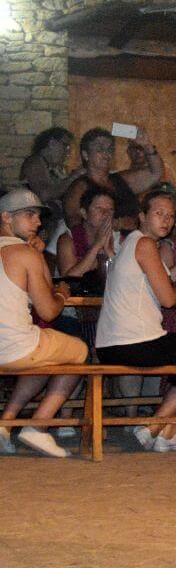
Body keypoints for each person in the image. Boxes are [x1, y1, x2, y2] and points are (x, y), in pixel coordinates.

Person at [94, 191, 176, 452]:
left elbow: (169, 281)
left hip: (112, 343)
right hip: (132, 342)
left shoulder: (136, 243)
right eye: (159, 213)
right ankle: (154, 424)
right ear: (142, 216)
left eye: (170, 216)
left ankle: (167, 430)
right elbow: (169, 298)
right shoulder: (145, 244)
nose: (166, 220)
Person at [0, 189, 89, 457]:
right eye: (29, 215)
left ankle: (5, 423)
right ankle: (38, 427)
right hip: (14, 346)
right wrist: (62, 293)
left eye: (38, 216)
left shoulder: (25, 252)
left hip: (9, 346)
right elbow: (49, 310)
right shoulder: (25, 254)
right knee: (80, 351)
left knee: (46, 355)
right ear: (5, 217)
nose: (37, 222)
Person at [62, 127, 163, 230]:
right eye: (100, 149)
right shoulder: (79, 188)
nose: (106, 153)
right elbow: (75, 224)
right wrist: (117, 224)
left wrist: (147, 145)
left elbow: (156, 173)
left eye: (110, 149)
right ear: (86, 155)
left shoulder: (120, 179)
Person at [55, 187, 117, 280]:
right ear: (84, 213)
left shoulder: (119, 239)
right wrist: (96, 246)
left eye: (110, 210)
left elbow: (125, 278)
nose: (105, 213)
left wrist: (108, 251)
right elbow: (69, 280)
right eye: (98, 208)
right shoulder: (68, 239)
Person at [19, 127, 83, 216]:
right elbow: (44, 195)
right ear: (52, 143)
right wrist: (74, 176)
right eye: (65, 146)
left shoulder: (57, 168)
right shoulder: (35, 162)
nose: (67, 153)